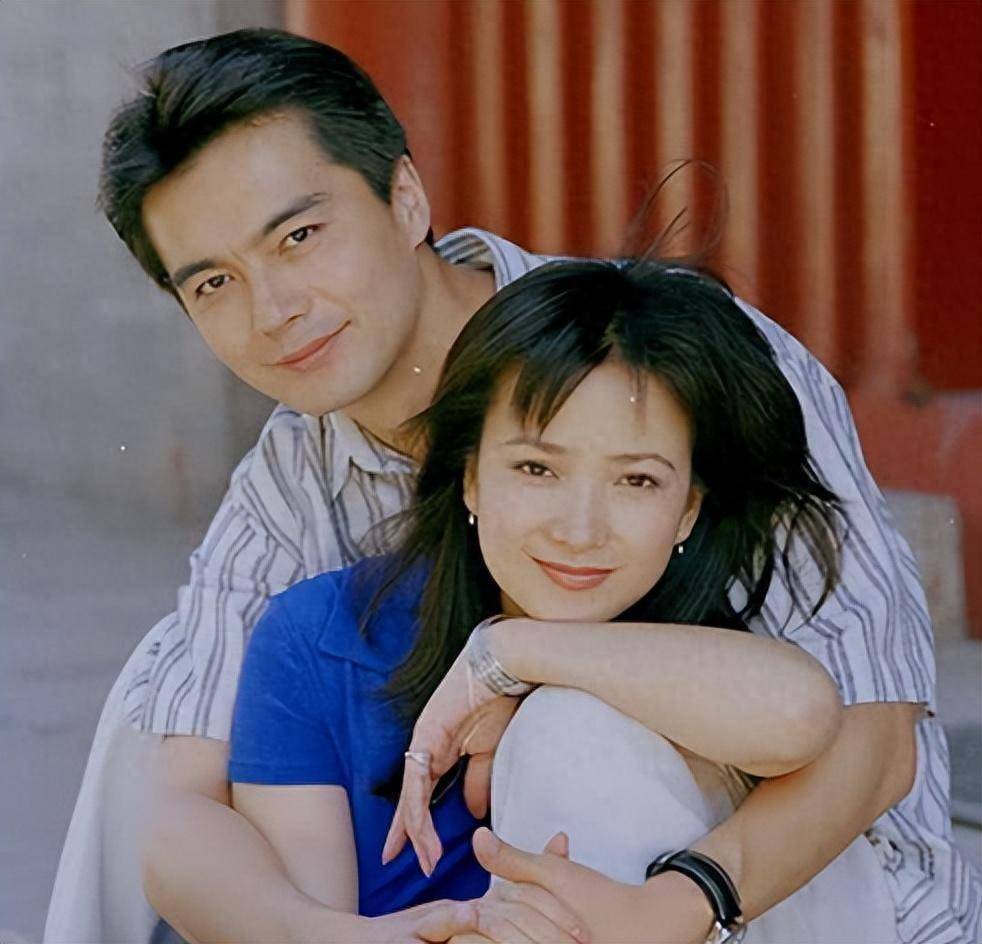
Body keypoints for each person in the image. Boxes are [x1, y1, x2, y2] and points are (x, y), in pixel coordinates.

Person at [43, 26, 978, 944]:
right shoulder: (292, 477)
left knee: (572, 730)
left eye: (299, 236)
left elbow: (878, 741)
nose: (274, 310)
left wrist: (672, 906)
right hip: (527, 902)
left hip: (792, 893)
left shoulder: (673, 354)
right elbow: (178, 815)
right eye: (213, 284)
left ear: (405, 197)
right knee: (155, 703)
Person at [228, 257, 901, 943]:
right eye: (536, 468)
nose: (580, 531)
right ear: (470, 477)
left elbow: (802, 713)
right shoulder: (323, 639)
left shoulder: (710, 670)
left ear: (688, 512)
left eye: (637, 481)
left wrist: (512, 652)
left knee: (570, 726)